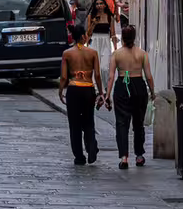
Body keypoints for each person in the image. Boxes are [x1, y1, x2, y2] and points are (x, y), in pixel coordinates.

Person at [108, 24, 153, 169]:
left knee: (122, 123)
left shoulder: (116, 54)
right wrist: (153, 92)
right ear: (134, 38)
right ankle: (139, 155)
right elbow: (149, 76)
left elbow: (110, 77)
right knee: (138, 123)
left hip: (122, 85)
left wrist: (107, 95)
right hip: (138, 86)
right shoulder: (142, 54)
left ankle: (124, 157)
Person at [58, 24, 99, 165]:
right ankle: (91, 146)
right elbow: (98, 75)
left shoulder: (67, 54)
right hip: (88, 89)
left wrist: (61, 91)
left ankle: (79, 156)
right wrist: (101, 92)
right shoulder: (92, 53)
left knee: (74, 124)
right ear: (83, 36)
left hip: (74, 89)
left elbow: (64, 77)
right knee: (89, 121)